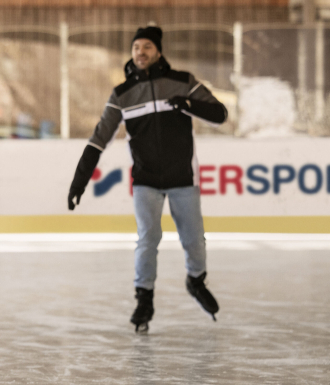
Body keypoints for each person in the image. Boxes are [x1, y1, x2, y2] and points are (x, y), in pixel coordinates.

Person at [66, 26, 226, 333]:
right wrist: (78, 183)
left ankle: (195, 280)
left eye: (147, 47)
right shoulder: (123, 94)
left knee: (194, 241)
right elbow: (99, 139)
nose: (141, 52)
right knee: (147, 239)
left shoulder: (183, 82)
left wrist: (188, 105)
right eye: (136, 47)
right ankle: (144, 298)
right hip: (146, 180)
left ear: (159, 51)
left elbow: (220, 114)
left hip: (182, 178)